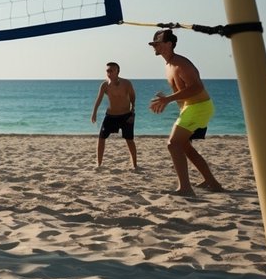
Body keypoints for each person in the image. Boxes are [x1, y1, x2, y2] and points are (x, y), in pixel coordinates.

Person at [148, 29, 223, 196]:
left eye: (157, 43)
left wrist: (167, 100)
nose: (154, 46)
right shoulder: (168, 64)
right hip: (192, 107)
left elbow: (197, 88)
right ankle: (212, 182)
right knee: (184, 146)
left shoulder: (181, 63)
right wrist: (173, 103)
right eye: (153, 44)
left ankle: (185, 188)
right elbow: (183, 91)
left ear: (169, 44)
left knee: (172, 144)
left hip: (199, 106)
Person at [90, 62, 137, 169]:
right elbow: (99, 99)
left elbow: (133, 96)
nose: (109, 73)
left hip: (126, 115)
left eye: (111, 70)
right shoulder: (105, 85)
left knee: (129, 140)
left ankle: (134, 165)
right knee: (101, 138)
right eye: (107, 71)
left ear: (117, 71)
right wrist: (94, 112)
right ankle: (99, 164)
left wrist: (133, 110)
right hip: (110, 116)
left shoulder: (126, 83)